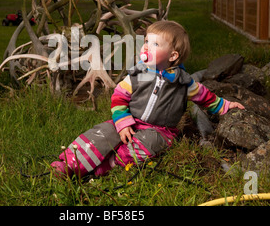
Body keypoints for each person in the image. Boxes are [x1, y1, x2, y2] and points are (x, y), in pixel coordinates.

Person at [50, 20, 245, 178]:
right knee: (103, 132)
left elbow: (206, 98)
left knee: (144, 146)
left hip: (160, 130)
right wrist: (123, 122)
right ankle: (70, 164)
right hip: (130, 120)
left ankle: (106, 167)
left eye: (155, 44)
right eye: (146, 41)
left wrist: (225, 106)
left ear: (173, 55)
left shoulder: (184, 83)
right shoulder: (136, 75)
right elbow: (119, 97)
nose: (146, 47)